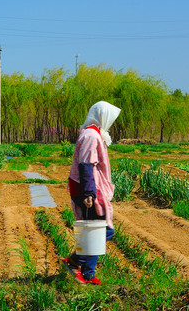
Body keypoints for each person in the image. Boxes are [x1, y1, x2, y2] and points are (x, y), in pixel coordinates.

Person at [62, 101, 121, 285]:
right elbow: (86, 164)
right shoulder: (90, 135)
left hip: (90, 188)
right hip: (87, 190)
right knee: (103, 231)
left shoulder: (95, 134)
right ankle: (83, 270)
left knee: (97, 231)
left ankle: (78, 265)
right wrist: (89, 194)